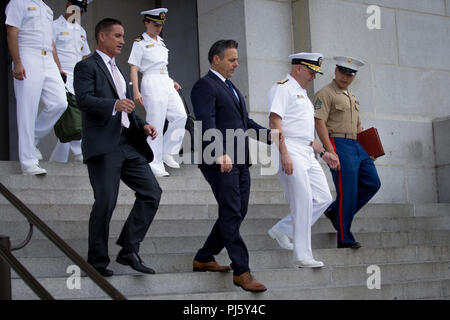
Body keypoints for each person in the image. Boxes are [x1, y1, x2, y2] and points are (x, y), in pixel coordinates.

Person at [74, 18, 162, 277]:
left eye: (123, 36)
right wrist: (114, 105)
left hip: (127, 143)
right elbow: (84, 100)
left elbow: (126, 107)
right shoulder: (85, 66)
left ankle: (128, 248)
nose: (123, 40)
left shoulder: (120, 70)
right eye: (117, 35)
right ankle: (97, 261)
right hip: (103, 146)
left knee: (151, 192)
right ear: (101, 37)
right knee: (106, 202)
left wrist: (143, 124)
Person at [190, 40, 271, 292]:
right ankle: (242, 271)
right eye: (232, 59)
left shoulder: (230, 86)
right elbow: (207, 120)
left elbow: (242, 120)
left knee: (237, 210)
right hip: (221, 160)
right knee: (232, 210)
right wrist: (219, 153)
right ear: (216, 59)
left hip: (239, 158)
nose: (236, 64)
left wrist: (271, 135)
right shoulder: (205, 85)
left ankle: (204, 257)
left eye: (236, 59)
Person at [267, 53, 339, 268]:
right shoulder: (282, 88)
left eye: (315, 73)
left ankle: (283, 229)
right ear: (298, 68)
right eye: (310, 71)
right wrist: (284, 153)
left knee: (324, 198)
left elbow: (307, 135)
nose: (312, 77)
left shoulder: (303, 94)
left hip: (307, 151)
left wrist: (324, 152)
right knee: (303, 200)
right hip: (289, 148)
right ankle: (302, 255)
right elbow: (274, 122)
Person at [314, 56, 381, 249]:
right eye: (342, 72)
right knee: (348, 191)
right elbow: (319, 122)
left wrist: (368, 149)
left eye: (350, 74)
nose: (345, 77)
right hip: (338, 143)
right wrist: (329, 150)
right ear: (335, 71)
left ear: (354, 76)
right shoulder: (325, 93)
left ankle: (335, 212)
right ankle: (345, 237)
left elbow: (358, 125)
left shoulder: (351, 97)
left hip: (356, 145)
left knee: (373, 183)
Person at [5, 0, 68, 175]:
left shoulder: (46, 8)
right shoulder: (18, 2)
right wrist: (17, 62)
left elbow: (52, 41)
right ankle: (28, 162)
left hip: (47, 57)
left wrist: (58, 66)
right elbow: (11, 32)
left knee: (59, 103)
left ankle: (32, 138)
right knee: (27, 110)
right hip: (27, 53)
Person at [128, 8, 187, 177]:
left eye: (160, 25)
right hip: (151, 81)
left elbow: (163, 67)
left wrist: (171, 81)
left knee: (180, 115)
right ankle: (154, 161)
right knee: (156, 121)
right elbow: (134, 67)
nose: (158, 28)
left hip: (165, 80)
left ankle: (168, 151)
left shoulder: (161, 42)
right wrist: (136, 90)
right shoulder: (140, 42)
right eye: (155, 24)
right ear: (146, 23)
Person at [49, 0, 92, 163]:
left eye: (81, 10)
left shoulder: (81, 31)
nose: (78, 13)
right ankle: (80, 152)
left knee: (72, 116)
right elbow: (50, 49)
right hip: (60, 75)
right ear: (68, 5)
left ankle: (56, 161)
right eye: (76, 8)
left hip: (77, 78)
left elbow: (85, 55)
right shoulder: (54, 26)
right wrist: (58, 71)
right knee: (70, 113)